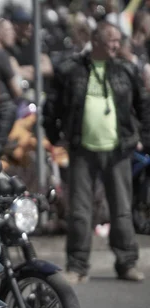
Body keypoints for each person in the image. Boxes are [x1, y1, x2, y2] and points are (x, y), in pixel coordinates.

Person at [43, 21, 150, 284]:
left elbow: (144, 105)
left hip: (118, 151)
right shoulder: (70, 70)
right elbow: (52, 106)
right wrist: (56, 137)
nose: (116, 45)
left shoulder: (126, 69)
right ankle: (77, 266)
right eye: (111, 40)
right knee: (79, 211)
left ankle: (127, 263)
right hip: (82, 149)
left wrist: (142, 139)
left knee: (122, 210)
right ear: (97, 40)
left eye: (117, 41)